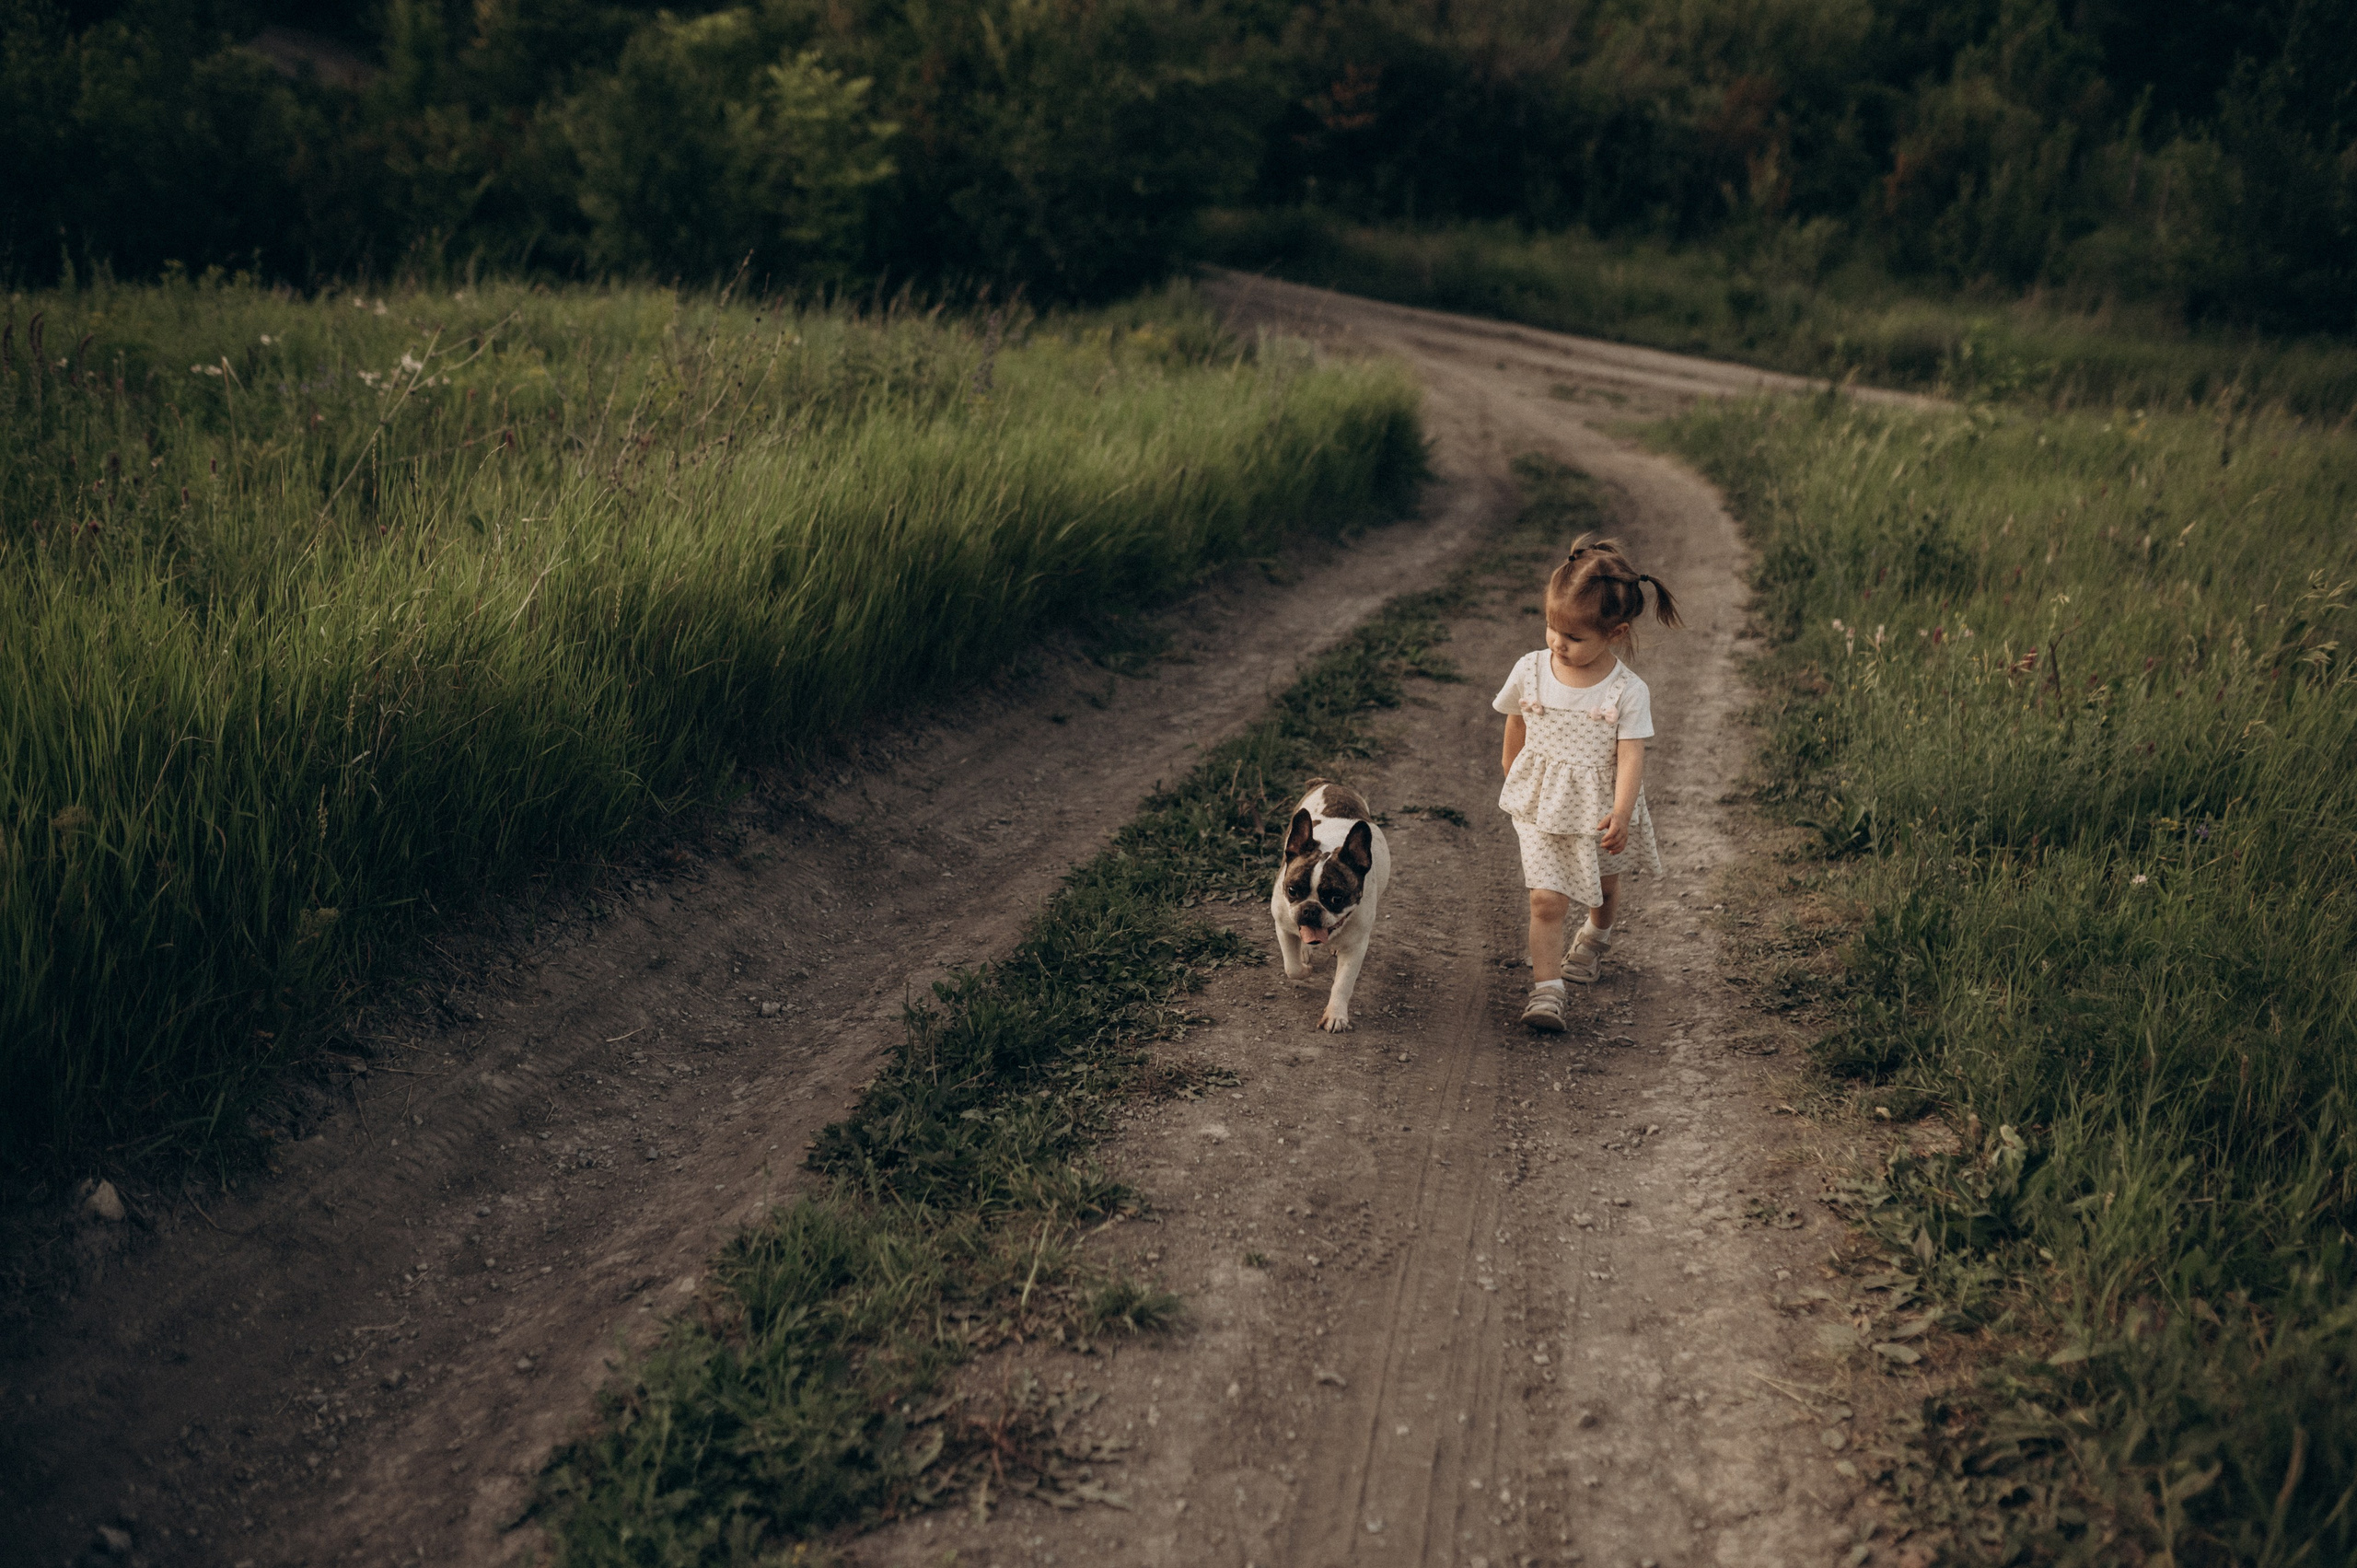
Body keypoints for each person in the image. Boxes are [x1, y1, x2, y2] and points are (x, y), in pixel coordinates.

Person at [1492, 536, 1680, 1032]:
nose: (1558, 642)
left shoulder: (1627, 691)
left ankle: (1597, 934)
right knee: (1546, 897)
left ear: (1616, 634)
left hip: (1599, 806)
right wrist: (1512, 765)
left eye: (1573, 637)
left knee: (1602, 886)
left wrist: (1620, 812)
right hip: (1541, 801)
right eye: (1552, 628)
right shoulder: (1530, 668)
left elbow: (1631, 753)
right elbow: (1516, 716)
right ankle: (1547, 992)